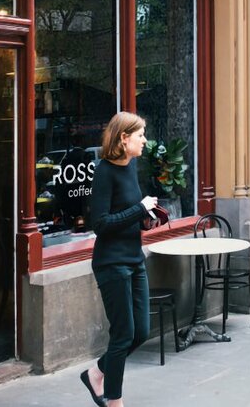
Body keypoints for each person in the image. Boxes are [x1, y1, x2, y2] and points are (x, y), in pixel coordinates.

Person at [80, 112, 159, 407]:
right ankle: (114, 401)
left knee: (141, 331)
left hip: (134, 259)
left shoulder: (131, 165)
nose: (144, 140)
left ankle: (96, 372)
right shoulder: (104, 171)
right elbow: (100, 224)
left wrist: (145, 221)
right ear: (123, 138)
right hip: (111, 263)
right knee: (123, 333)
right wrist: (139, 209)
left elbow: (126, 213)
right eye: (140, 135)